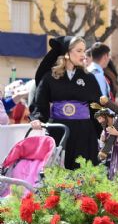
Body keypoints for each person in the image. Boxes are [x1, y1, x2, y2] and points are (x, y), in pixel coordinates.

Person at [30, 36, 102, 169]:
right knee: (59, 175)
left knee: (84, 174)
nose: (83, 55)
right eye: (79, 51)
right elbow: (40, 102)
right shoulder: (50, 77)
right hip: (59, 131)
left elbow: (97, 107)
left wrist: (103, 129)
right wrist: (37, 118)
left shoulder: (89, 78)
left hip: (84, 133)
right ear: (67, 54)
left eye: (84, 51)